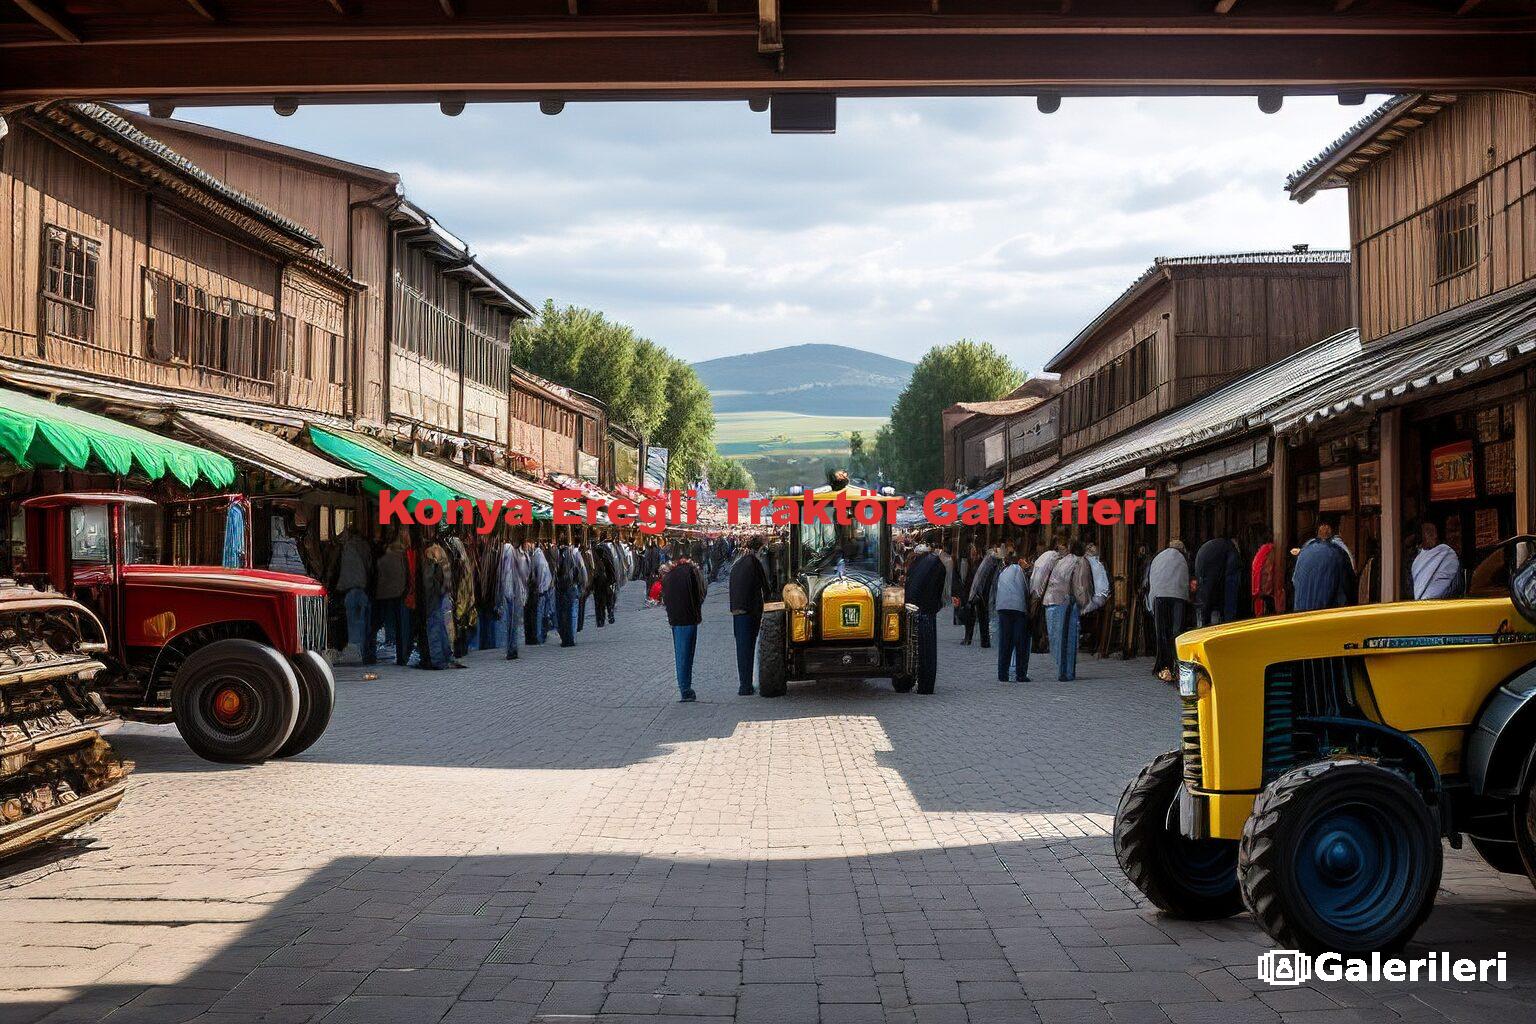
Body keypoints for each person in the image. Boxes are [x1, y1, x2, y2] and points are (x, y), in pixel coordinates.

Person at [1041, 540, 1093, 682]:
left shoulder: (1062, 561)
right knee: (1068, 639)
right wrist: (1085, 605)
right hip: (1066, 604)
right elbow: (1081, 587)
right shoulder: (1080, 562)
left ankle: (1061, 669)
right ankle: (1066, 673)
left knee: (1056, 639)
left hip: (1051, 602)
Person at [728, 536, 771, 696]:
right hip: (749, 610)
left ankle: (744, 684)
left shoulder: (737, 563)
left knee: (741, 648)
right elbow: (765, 587)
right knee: (749, 647)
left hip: (737, 610)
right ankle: (746, 687)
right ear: (759, 548)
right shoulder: (754, 562)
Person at [662, 553, 708, 702]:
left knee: (680, 654)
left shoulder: (668, 575)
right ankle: (686, 689)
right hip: (689, 618)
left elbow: (665, 599)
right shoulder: (693, 572)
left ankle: (684, 688)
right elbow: (701, 593)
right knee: (687, 655)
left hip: (675, 620)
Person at [904, 542, 946, 695]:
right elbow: (939, 590)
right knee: (927, 651)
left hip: (913, 611)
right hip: (927, 612)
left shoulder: (917, 566)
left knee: (914, 649)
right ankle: (925, 686)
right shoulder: (935, 563)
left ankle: (914, 682)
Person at [1147, 540, 1190, 683]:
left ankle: (1162, 665)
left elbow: (1150, 578)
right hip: (1178, 596)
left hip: (1159, 596)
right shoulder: (1183, 558)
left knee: (1162, 632)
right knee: (1177, 631)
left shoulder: (1159, 556)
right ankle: (1177, 665)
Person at [331, 525, 374, 663]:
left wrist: (337, 587)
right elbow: (369, 567)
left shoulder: (348, 548)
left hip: (351, 591)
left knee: (353, 624)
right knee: (364, 623)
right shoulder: (365, 546)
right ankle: (365, 653)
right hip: (364, 590)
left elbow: (346, 573)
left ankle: (356, 655)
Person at [1293, 521, 1355, 612]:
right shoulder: (1338, 554)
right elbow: (1349, 586)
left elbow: (1295, 580)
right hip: (1325, 616)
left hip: (1301, 615)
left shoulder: (1304, 553)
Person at [370, 530, 411, 666]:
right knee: (401, 628)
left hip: (382, 594)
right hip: (399, 595)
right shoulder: (402, 556)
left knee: (376, 626)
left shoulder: (383, 556)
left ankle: (371, 655)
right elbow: (406, 576)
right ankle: (402, 657)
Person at [421, 533, 459, 669]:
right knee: (442, 630)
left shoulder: (433, 566)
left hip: (434, 601)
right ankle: (446, 657)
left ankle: (438, 661)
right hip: (442, 600)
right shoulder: (444, 563)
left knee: (435, 630)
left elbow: (428, 585)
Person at [993, 551, 1031, 683]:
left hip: (1002, 608)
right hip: (1018, 609)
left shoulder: (1002, 572)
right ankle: (1020, 674)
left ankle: (1002, 674)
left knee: (1005, 642)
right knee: (1020, 642)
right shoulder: (1019, 570)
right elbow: (1026, 589)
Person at [1411, 522, 1462, 600]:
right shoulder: (1413, 559)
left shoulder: (1445, 555)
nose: (1435, 536)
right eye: (1429, 532)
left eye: (1435, 533)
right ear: (1421, 536)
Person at [499, 536, 531, 660]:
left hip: (512, 592)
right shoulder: (518, 556)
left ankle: (511, 649)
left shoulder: (514, 556)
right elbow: (526, 574)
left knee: (511, 623)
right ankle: (512, 649)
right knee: (513, 623)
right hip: (513, 592)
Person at [1194, 536, 1234, 628]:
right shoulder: (1229, 548)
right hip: (1213, 584)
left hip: (1204, 578)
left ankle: (1203, 626)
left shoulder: (1209, 549)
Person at [967, 544, 1002, 649]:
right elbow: (991, 583)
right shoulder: (992, 565)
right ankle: (985, 642)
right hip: (983, 595)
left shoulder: (986, 563)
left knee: (983, 618)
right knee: (984, 618)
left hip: (980, 595)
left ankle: (985, 641)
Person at [554, 539, 587, 647]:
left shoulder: (556, 552)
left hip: (560, 588)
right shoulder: (574, 553)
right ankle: (570, 638)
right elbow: (582, 570)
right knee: (571, 614)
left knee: (561, 614)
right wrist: (583, 586)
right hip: (571, 587)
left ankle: (565, 638)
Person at [476, 534, 503, 651]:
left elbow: (486, 577)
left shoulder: (489, 555)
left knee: (486, 619)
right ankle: (488, 644)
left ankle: (487, 644)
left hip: (487, 595)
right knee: (487, 619)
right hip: (488, 595)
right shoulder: (492, 554)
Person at [525, 541, 553, 645]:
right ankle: (539, 636)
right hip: (543, 589)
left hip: (541, 591)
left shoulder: (538, 557)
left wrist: (539, 589)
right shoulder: (537, 556)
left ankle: (538, 637)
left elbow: (541, 575)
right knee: (542, 614)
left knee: (539, 614)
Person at [1251, 532, 1279, 617]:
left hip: (1258, 591)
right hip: (1264, 593)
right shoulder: (1269, 550)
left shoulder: (1260, 552)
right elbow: (1269, 572)